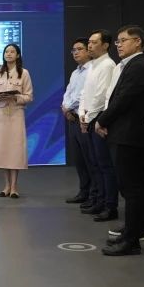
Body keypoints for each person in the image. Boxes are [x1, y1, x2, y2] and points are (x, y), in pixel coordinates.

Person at [97, 26, 144, 255]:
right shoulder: (130, 65)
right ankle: (135, 230)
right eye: (118, 41)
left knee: (132, 189)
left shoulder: (138, 66)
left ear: (138, 41)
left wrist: (102, 120)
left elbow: (123, 100)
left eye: (123, 40)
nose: (118, 45)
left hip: (129, 135)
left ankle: (132, 240)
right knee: (135, 187)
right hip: (126, 133)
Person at [78, 30, 118, 221]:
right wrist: (82, 114)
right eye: (90, 42)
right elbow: (85, 94)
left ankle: (110, 205)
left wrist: (88, 117)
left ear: (105, 45)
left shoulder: (108, 65)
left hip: (99, 118)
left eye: (94, 42)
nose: (90, 45)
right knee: (95, 163)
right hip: (89, 117)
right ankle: (99, 200)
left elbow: (101, 96)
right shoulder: (93, 65)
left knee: (104, 164)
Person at [0, 43, 33, 199]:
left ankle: (14, 187)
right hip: (0, 114)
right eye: (6, 51)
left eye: (12, 52)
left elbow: (29, 96)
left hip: (16, 114)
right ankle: (6, 186)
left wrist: (16, 97)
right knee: (3, 150)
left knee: (15, 151)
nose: (8, 54)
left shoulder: (24, 73)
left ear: (18, 55)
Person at [61, 38, 93, 204]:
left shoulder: (92, 70)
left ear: (88, 50)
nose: (76, 52)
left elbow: (83, 95)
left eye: (79, 49)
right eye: (73, 50)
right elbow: (68, 93)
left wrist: (68, 107)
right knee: (79, 159)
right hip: (72, 118)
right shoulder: (75, 72)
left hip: (84, 119)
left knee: (90, 159)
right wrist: (65, 107)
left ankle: (94, 195)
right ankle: (84, 191)